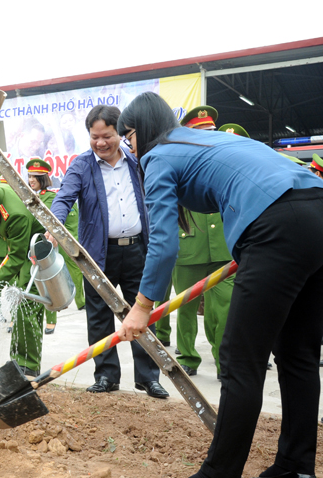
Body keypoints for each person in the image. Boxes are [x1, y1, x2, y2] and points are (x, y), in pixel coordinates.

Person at [117, 91, 323, 478]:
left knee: (239, 359)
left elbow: (163, 244)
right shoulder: (210, 140)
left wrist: (142, 306)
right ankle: (295, 468)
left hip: (276, 226)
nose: (130, 147)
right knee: (298, 356)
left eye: (127, 137)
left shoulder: (159, 155)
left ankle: (219, 473)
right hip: (316, 212)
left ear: (139, 131)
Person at [49, 105, 167, 399]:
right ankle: (105, 375)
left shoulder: (138, 162)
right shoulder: (82, 165)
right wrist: (54, 226)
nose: (101, 143)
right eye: (94, 137)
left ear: (121, 134)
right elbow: (63, 199)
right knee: (99, 317)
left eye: (107, 136)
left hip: (138, 250)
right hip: (98, 256)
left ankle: (148, 378)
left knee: (141, 314)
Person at [167, 107, 235, 378]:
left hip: (223, 247)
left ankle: (224, 363)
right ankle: (188, 357)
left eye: (211, 132)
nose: (209, 137)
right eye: (202, 133)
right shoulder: (176, 161)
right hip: (189, 246)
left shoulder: (227, 161)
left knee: (226, 309)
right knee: (185, 308)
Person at [0, 173, 44, 376]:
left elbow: (16, 257)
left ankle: (28, 365)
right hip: (24, 251)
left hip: (36, 255)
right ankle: (18, 359)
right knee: (20, 304)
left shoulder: (14, 214)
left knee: (27, 304)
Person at [26, 158, 85, 335]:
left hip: (48, 244)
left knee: (51, 279)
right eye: (29, 176)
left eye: (35, 177)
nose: (31, 180)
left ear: (43, 178)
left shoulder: (52, 197)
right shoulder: (26, 197)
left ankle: (53, 318)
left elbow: (65, 221)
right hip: (29, 243)